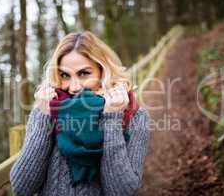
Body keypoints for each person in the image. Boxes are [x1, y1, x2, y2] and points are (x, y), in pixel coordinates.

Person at [10, 31, 150, 196]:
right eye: (65, 75)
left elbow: (121, 192)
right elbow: (22, 186)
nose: (74, 87)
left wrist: (112, 117)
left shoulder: (134, 115)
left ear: (103, 71)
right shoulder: (50, 108)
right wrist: (42, 116)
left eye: (84, 73)